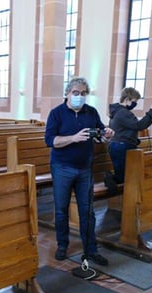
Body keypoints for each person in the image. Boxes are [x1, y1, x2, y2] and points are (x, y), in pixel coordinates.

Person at [44, 77, 115, 266]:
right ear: (67, 93)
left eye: (83, 93)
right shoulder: (56, 113)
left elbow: (99, 134)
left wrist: (106, 134)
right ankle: (62, 245)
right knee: (61, 210)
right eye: (76, 93)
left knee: (88, 211)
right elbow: (50, 140)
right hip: (62, 167)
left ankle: (91, 250)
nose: (79, 96)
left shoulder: (90, 112)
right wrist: (73, 138)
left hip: (85, 168)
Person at [104, 87, 152, 195]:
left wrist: (151, 116)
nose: (135, 104)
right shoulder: (123, 113)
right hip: (121, 146)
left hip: (120, 145)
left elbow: (134, 126)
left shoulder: (118, 111)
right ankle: (109, 178)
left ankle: (115, 185)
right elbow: (138, 125)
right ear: (127, 99)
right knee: (124, 177)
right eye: (134, 101)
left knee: (126, 176)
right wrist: (151, 110)